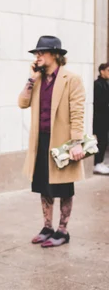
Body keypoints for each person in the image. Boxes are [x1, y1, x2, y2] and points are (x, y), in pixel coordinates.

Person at [18, 35, 85, 248]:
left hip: (62, 142)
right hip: (41, 141)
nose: (38, 56)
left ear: (54, 54)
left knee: (64, 187)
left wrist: (76, 142)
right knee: (43, 186)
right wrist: (30, 78)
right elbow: (22, 103)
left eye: (41, 52)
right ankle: (47, 227)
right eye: (36, 53)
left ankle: (62, 230)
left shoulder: (71, 79)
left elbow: (78, 111)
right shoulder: (36, 80)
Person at [93, 62, 109, 174]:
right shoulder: (97, 84)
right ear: (102, 71)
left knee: (104, 140)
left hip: (105, 117)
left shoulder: (106, 83)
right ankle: (97, 163)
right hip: (100, 118)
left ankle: (100, 162)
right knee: (101, 140)